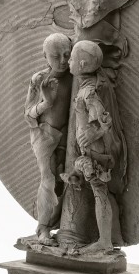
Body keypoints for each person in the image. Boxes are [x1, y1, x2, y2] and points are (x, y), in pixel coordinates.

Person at [68, 40, 116, 253]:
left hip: (97, 152)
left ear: (82, 64)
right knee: (97, 190)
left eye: (71, 59)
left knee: (99, 192)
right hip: (91, 151)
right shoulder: (86, 87)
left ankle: (104, 241)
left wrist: (92, 133)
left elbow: (105, 121)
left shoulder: (88, 93)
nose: (68, 62)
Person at [24, 33, 72, 245]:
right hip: (44, 136)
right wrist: (46, 103)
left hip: (68, 136)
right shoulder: (39, 80)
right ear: (45, 56)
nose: (62, 61)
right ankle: (43, 228)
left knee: (64, 180)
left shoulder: (75, 76)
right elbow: (28, 115)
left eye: (66, 54)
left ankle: (61, 225)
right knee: (48, 179)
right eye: (55, 56)